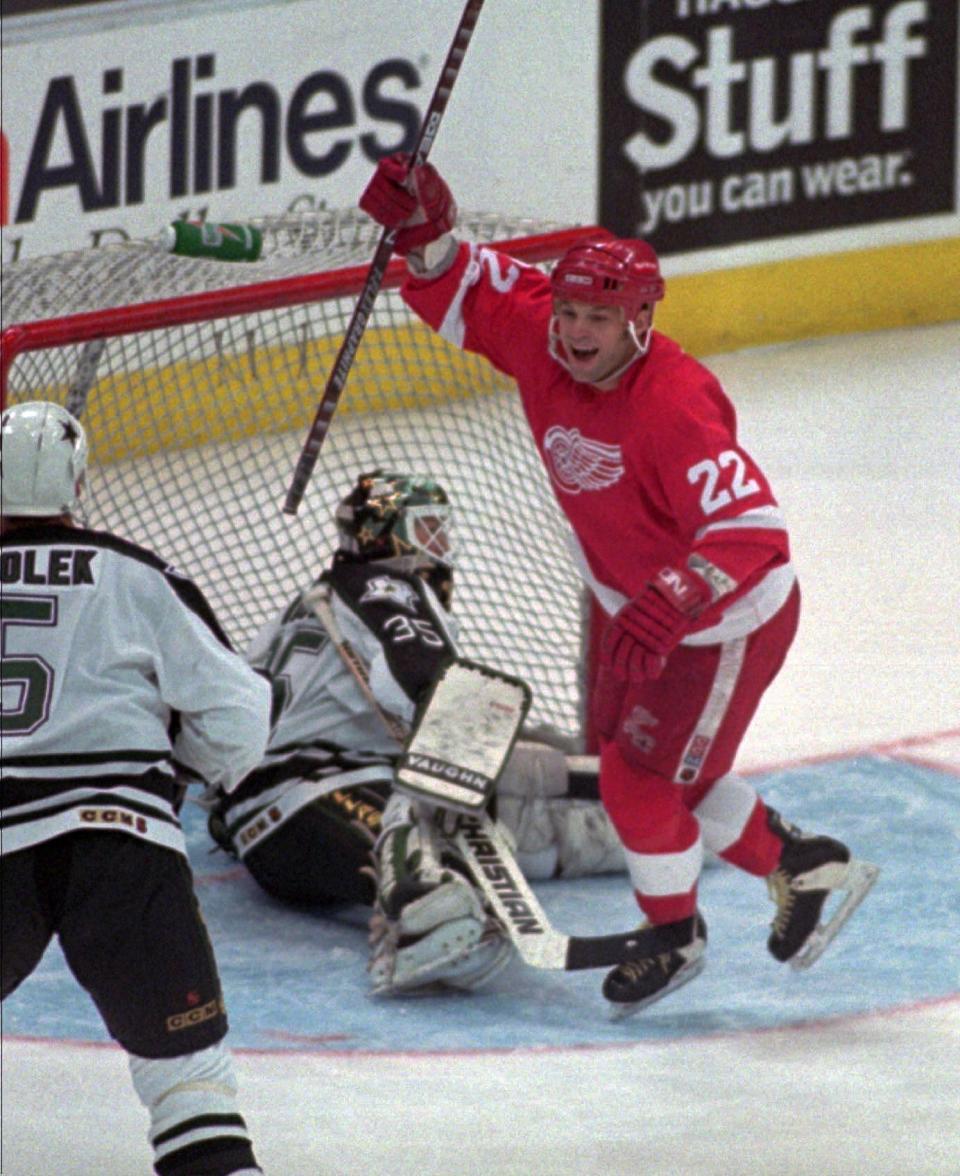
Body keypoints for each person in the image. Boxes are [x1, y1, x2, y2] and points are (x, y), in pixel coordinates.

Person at [357, 155, 878, 1015]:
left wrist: (674, 597)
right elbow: (467, 285)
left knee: (642, 783)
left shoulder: (673, 403)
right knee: (651, 771)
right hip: (633, 607)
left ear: (640, 317)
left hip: (721, 626)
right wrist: (424, 230)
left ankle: (673, 935)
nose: (574, 330)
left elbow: (752, 531)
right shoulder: (542, 338)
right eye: (567, 310)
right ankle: (808, 867)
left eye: (598, 315)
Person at [207, 469, 625, 996]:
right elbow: (435, 694)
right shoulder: (387, 587)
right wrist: (525, 768)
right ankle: (423, 901)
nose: (441, 548)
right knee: (437, 793)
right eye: (428, 530)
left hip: (274, 833)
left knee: (485, 801)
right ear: (389, 538)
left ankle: (445, 885)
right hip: (310, 798)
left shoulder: (318, 599)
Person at [0, 401, 272, 1175]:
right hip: (123, 842)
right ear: (78, 482)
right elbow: (240, 717)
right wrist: (188, 762)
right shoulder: (139, 573)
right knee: (189, 1083)